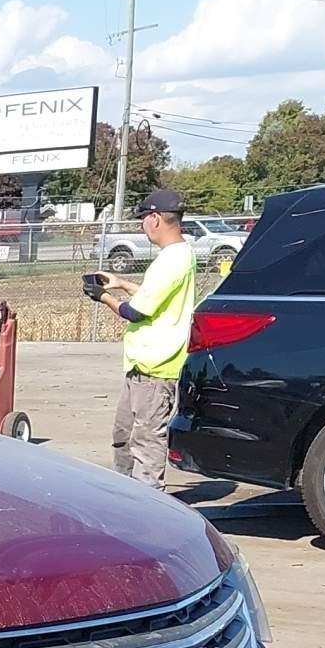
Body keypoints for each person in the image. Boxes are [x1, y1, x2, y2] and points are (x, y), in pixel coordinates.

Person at [93, 188, 198, 489]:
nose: (142, 225)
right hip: (142, 368)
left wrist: (104, 298)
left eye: (143, 219)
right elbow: (153, 298)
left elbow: (136, 312)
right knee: (123, 437)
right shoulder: (177, 256)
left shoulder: (172, 260)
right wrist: (121, 283)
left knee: (146, 443)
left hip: (156, 369)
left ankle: (149, 504)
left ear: (155, 218)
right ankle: (125, 497)